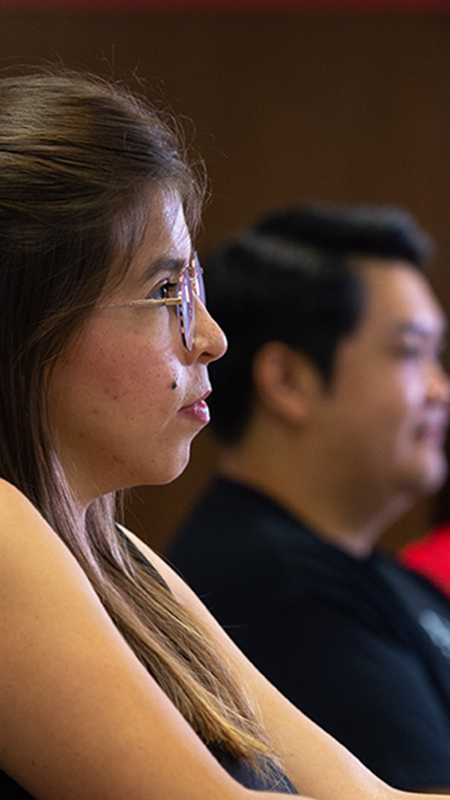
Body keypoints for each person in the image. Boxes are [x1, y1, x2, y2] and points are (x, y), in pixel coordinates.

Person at [168, 203, 450, 792]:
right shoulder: (278, 590)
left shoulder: (373, 574)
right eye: (410, 353)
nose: (440, 389)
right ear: (288, 380)